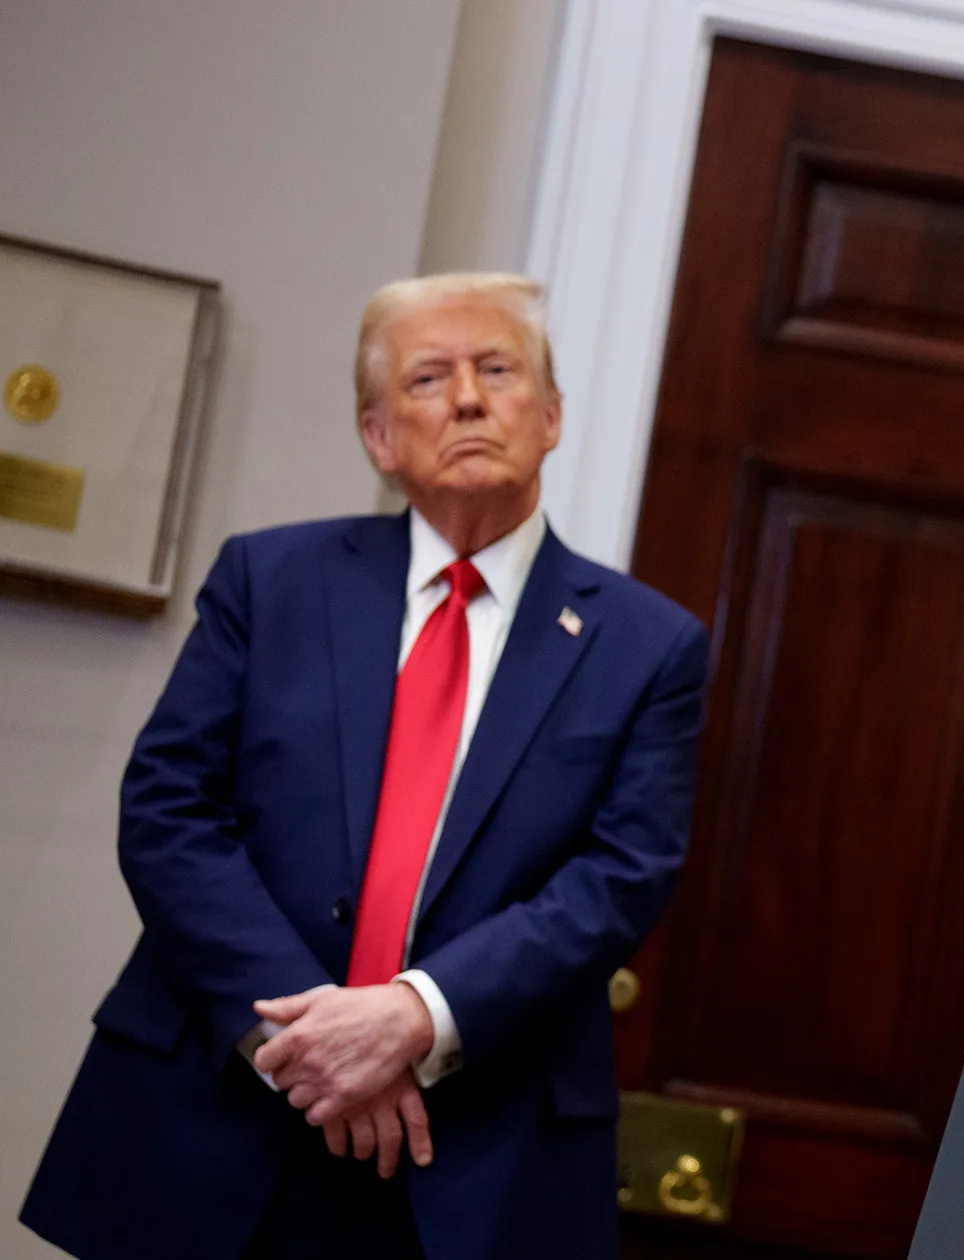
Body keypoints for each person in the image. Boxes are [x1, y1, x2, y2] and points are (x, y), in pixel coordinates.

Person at [21, 274, 709, 1258]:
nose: (467, 399)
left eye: (498, 370)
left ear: (552, 416)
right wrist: (310, 1048)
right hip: (221, 1114)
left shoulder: (648, 646)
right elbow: (169, 811)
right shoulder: (269, 581)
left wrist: (416, 1017)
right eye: (428, 378)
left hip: (473, 1157)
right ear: (379, 438)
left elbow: (618, 878)